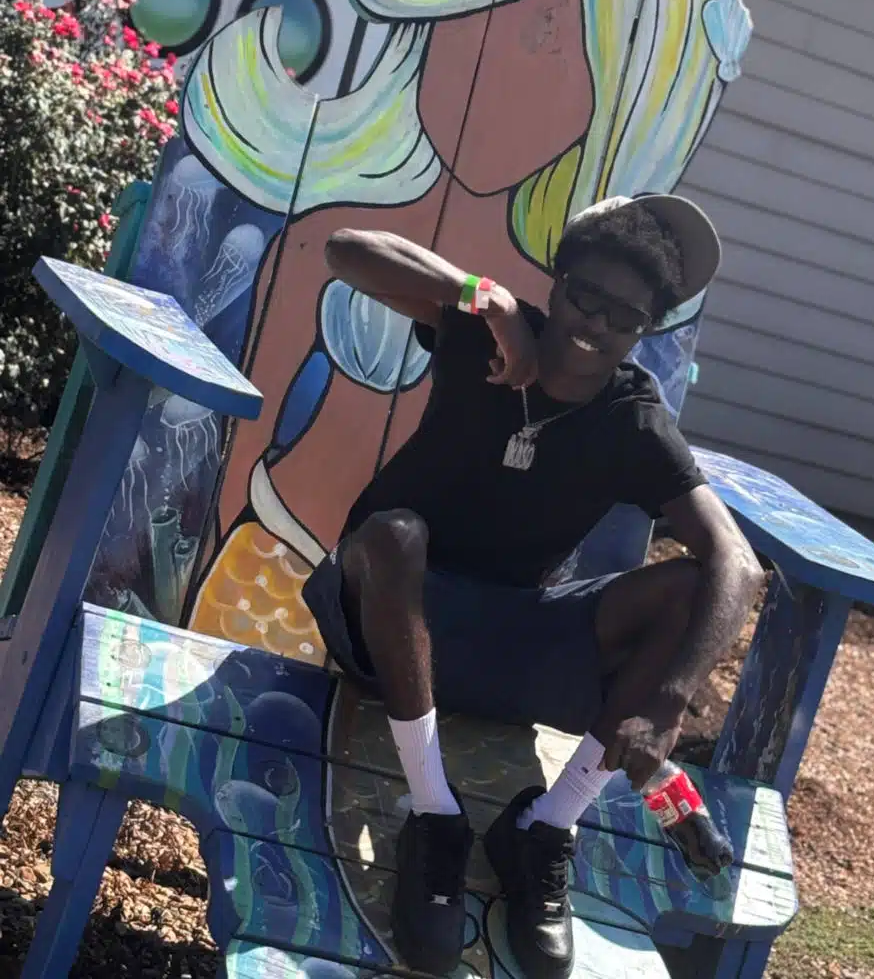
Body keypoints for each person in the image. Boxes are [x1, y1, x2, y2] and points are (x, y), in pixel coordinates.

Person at [302, 193, 763, 978]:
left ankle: (546, 826)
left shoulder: (633, 419)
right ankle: (434, 814)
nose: (596, 324)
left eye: (624, 316)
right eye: (585, 295)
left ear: (644, 331)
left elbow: (737, 563)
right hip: (388, 620)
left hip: (513, 639)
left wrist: (668, 701)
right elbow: (346, 249)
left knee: (689, 587)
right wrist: (482, 296)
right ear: (558, 282)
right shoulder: (484, 327)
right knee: (394, 533)